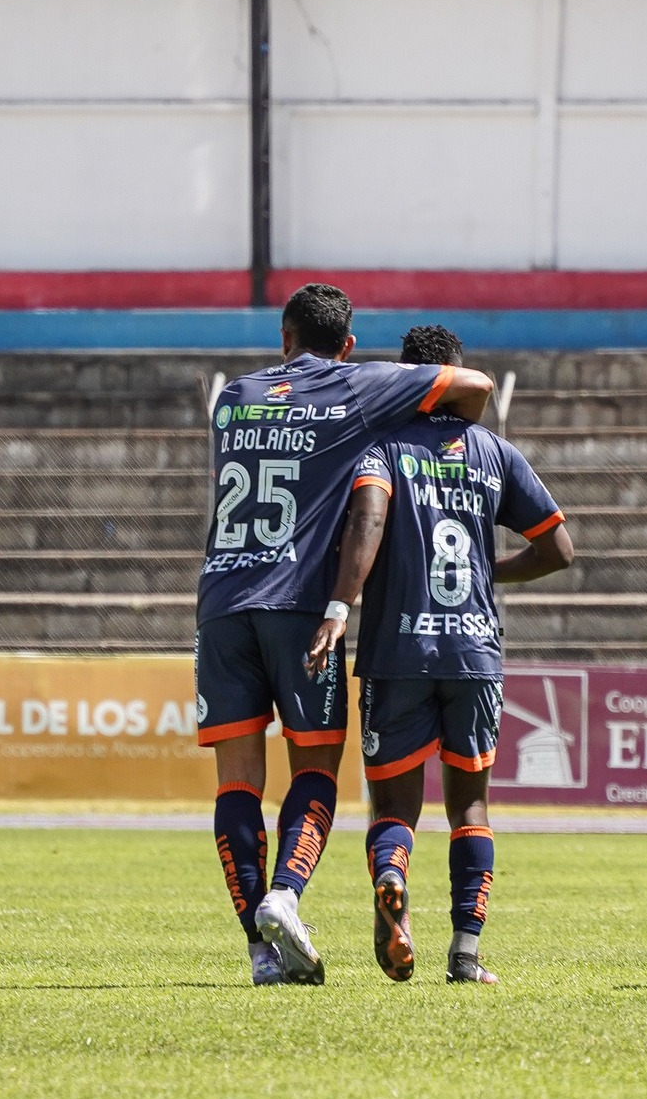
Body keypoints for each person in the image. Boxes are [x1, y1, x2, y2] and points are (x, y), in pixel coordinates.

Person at [198, 286, 494, 986]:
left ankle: (263, 954)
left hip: (220, 600)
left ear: (283, 338)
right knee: (313, 770)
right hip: (301, 603)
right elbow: (475, 385)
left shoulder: (234, 397)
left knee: (237, 782)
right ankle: (284, 896)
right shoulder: (358, 384)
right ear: (350, 345)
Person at [306, 323, 573, 986]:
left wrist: (341, 604)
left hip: (398, 652)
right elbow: (558, 550)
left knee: (394, 811)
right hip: (474, 653)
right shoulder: (494, 452)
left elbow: (367, 522)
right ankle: (466, 954)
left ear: (409, 380)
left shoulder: (384, 449)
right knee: (470, 809)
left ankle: (393, 876)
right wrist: (487, 570)